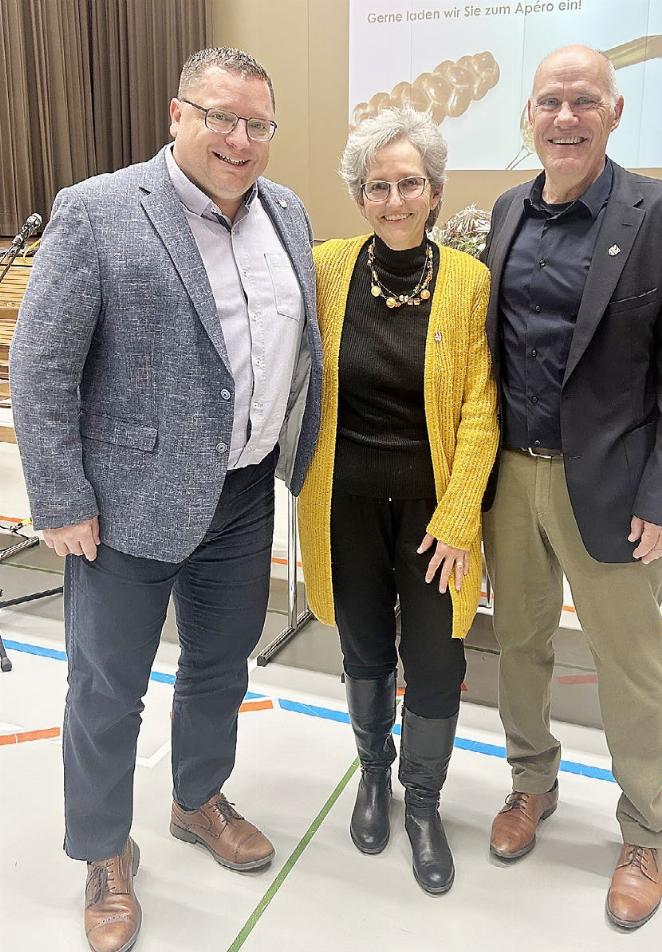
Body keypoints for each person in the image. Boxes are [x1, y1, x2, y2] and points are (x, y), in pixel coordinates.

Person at [10, 47, 321, 952]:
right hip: (122, 506)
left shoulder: (289, 213)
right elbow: (40, 365)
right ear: (177, 114)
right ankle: (105, 853)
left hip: (242, 496)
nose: (240, 139)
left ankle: (197, 799)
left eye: (258, 124)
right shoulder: (99, 211)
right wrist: (62, 498)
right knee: (107, 689)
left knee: (221, 669)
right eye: (220, 117)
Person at [481, 45, 662, 929]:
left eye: (584, 100)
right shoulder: (506, 211)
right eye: (550, 101)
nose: (566, 116)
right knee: (522, 648)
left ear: (616, 113)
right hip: (514, 479)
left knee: (631, 667)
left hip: (615, 489)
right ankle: (530, 783)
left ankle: (645, 828)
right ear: (529, 118)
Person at [298, 107, 498, 895]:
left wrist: (456, 518)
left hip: (432, 518)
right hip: (342, 504)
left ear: (436, 191)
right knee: (364, 651)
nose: (393, 199)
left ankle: (423, 803)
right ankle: (373, 776)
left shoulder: (469, 282)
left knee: (438, 661)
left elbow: (483, 406)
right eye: (377, 185)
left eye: (408, 183)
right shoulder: (327, 269)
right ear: (359, 196)